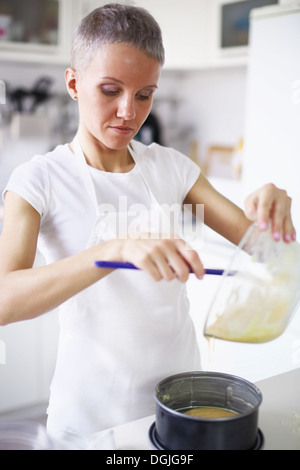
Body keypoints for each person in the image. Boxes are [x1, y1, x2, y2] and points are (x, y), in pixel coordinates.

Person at [0, 3, 296, 439]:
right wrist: (114, 249)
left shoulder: (171, 168)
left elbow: (270, 254)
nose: (128, 112)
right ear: (74, 83)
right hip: (88, 420)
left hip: (181, 408)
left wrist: (274, 210)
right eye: (109, 90)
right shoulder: (38, 180)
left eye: (144, 94)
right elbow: (5, 300)